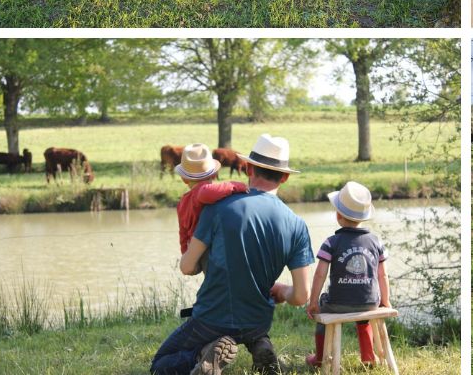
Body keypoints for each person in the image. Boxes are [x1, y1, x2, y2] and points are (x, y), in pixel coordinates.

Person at [150, 134, 313, 375]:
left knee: (161, 364)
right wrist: (282, 290)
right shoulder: (297, 224)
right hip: (258, 320)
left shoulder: (217, 208)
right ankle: (259, 342)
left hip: (212, 320)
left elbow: (187, 267)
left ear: (247, 168)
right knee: (253, 324)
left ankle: (203, 354)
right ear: (285, 177)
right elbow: (301, 296)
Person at [300, 181, 391, 369]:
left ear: (338, 214)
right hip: (370, 303)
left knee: (323, 312)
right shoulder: (376, 241)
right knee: (362, 309)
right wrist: (385, 301)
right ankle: (367, 356)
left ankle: (319, 357)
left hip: (337, 304)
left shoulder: (331, 242)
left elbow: (319, 275)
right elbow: (383, 276)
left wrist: (314, 302)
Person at [173, 143, 247, 258]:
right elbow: (214, 190)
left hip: (194, 249)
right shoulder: (202, 192)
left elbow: (182, 232)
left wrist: (185, 253)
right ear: (213, 175)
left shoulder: (182, 203)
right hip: (206, 247)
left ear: (184, 179)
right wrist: (239, 186)